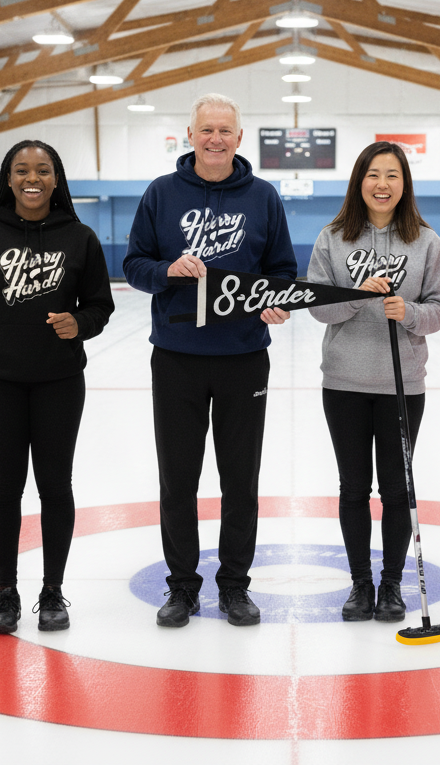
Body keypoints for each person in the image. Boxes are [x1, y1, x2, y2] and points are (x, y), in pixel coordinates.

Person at [123, 93, 297, 628]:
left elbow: (283, 271)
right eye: (207, 130)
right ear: (191, 136)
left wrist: (276, 301)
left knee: (239, 480)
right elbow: (133, 264)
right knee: (178, 479)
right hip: (177, 357)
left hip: (244, 357)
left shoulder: (264, 197)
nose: (216, 139)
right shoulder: (160, 194)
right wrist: (167, 271)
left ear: (239, 138)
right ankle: (181, 588)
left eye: (226, 130)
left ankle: (234, 586)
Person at [0, 140, 114, 634]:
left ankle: (52, 591)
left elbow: (101, 305)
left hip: (59, 383)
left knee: (55, 487)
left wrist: (78, 323)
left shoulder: (80, 238)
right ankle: (6, 592)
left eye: (42, 170)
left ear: (56, 179)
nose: (32, 178)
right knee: (5, 489)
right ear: (8, 178)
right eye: (21, 170)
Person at [307, 141, 440, 622]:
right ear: (359, 181)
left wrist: (408, 312)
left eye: (392, 175)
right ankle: (360, 585)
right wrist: (355, 296)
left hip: (401, 384)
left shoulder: (427, 242)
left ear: (404, 183)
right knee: (353, 487)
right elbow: (318, 307)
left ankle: (391, 585)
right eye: (373, 174)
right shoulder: (332, 237)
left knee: (396, 488)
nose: (382, 184)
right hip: (344, 382)